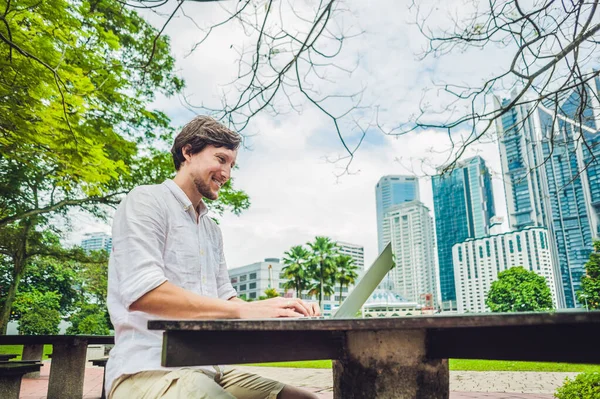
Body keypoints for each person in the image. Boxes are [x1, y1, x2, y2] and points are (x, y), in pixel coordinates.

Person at [105, 116, 321, 399]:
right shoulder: (146, 201)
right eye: (220, 159)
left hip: (209, 368)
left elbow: (227, 299)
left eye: (232, 165)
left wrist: (275, 309)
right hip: (147, 370)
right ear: (188, 152)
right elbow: (144, 294)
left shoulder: (211, 229)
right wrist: (246, 310)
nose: (226, 173)